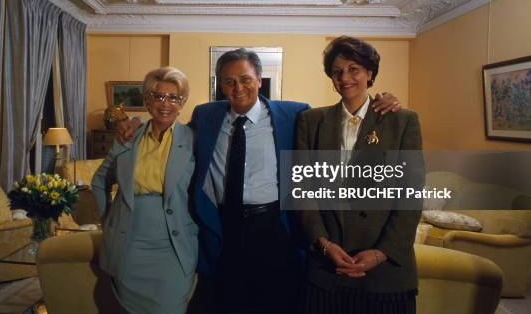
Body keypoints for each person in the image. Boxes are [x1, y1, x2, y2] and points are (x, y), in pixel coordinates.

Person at [117, 48, 400, 314]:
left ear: (259, 80)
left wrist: (379, 102)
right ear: (220, 84)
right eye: (229, 81)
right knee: (225, 302)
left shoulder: (295, 113)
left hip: (274, 227)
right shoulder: (206, 115)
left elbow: (340, 120)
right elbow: (172, 135)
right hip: (221, 226)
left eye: (245, 79)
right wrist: (136, 125)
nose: (238, 88)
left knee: (277, 303)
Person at [295, 36, 423, 314]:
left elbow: (410, 195)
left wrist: (381, 253)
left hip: (385, 270)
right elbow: (302, 191)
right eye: (337, 71)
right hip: (327, 266)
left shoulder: (402, 121)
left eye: (354, 69)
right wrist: (324, 244)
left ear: (370, 73)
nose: (345, 77)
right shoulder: (311, 121)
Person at [92, 67, 197, 314]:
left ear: (182, 104)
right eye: (158, 96)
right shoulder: (129, 136)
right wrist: (109, 222)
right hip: (129, 247)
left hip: (174, 247)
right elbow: (99, 182)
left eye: (174, 98)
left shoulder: (194, 139)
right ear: (147, 100)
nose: (165, 104)